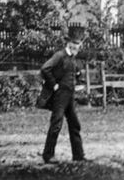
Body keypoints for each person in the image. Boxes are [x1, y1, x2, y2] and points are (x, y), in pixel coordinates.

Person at [40, 32, 85, 164]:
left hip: (69, 96)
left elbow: (75, 72)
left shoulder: (71, 58)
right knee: (56, 124)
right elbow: (45, 69)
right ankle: (48, 155)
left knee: (74, 124)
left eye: (79, 46)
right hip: (60, 96)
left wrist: (77, 75)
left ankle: (78, 156)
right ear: (70, 45)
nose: (78, 49)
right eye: (76, 46)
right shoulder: (59, 55)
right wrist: (54, 85)